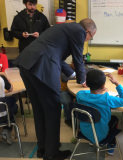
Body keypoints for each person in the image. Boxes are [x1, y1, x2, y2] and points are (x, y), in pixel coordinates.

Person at [14, 18, 97, 160]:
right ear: (87, 31)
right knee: (53, 108)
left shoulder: (63, 29)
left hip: (27, 64)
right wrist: (83, 80)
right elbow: (78, 59)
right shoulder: (78, 31)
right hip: (41, 66)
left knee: (39, 109)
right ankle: (51, 154)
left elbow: (57, 58)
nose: (86, 40)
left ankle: (43, 149)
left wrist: (74, 75)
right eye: (90, 37)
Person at [76, 69, 123, 155]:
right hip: (101, 136)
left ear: (87, 83)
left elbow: (86, 92)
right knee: (115, 119)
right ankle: (111, 145)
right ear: (103, 85)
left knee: (92, 116)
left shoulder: (80, 95)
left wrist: (99, 90)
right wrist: (116, 84)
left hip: (84, 131)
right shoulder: (106, 98)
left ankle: (91, 140)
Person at [0, 58, 18, 145]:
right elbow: (11, 89)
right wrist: (2, 73)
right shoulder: (0, 79)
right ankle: (6, 130)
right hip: (2, 117)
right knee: (13, 106)